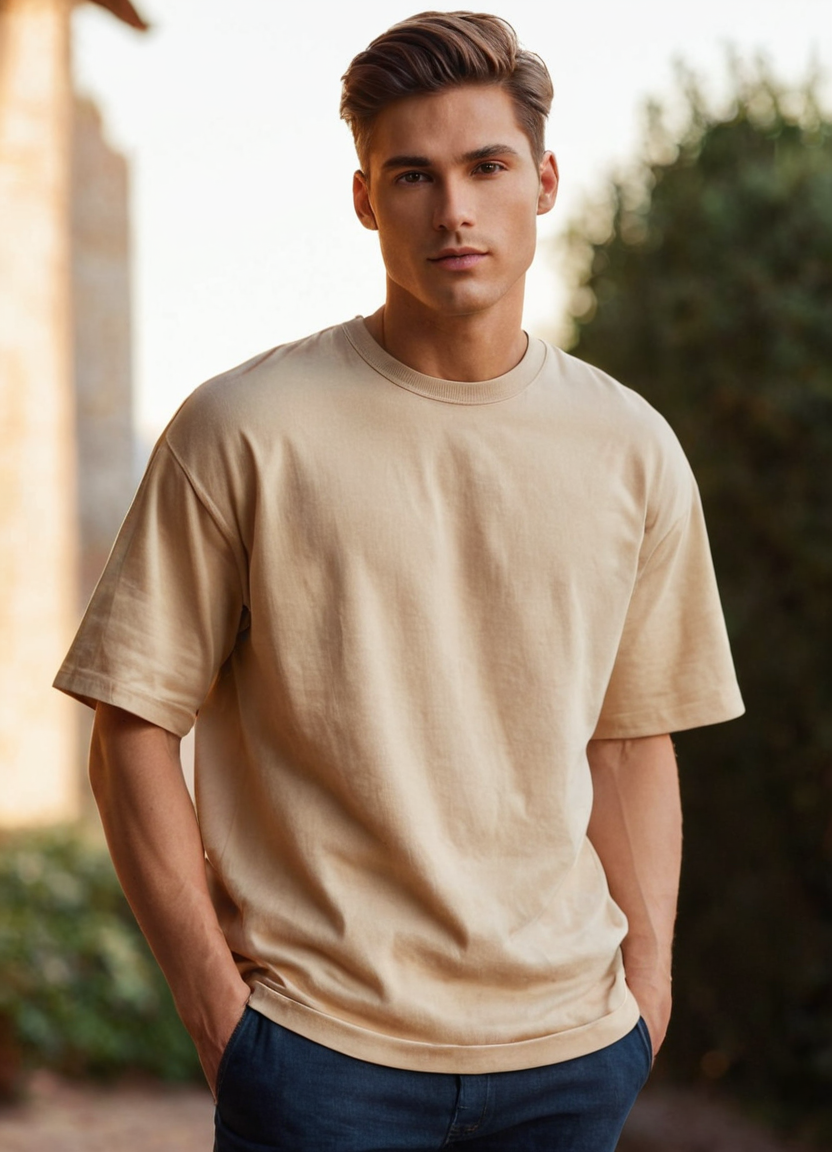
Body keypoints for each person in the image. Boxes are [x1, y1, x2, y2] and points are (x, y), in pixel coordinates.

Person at [55, 11, 744, 1151]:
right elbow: (131, 725)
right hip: (317, 1058)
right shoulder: (243, 429)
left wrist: (647, 994)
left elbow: (631, 741)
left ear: (545, 181)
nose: (454, 209)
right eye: (413, 176)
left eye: (487, 167)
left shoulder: (632, 448)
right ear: (366, 200)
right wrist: (218, 1013)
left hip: (569, 1059)